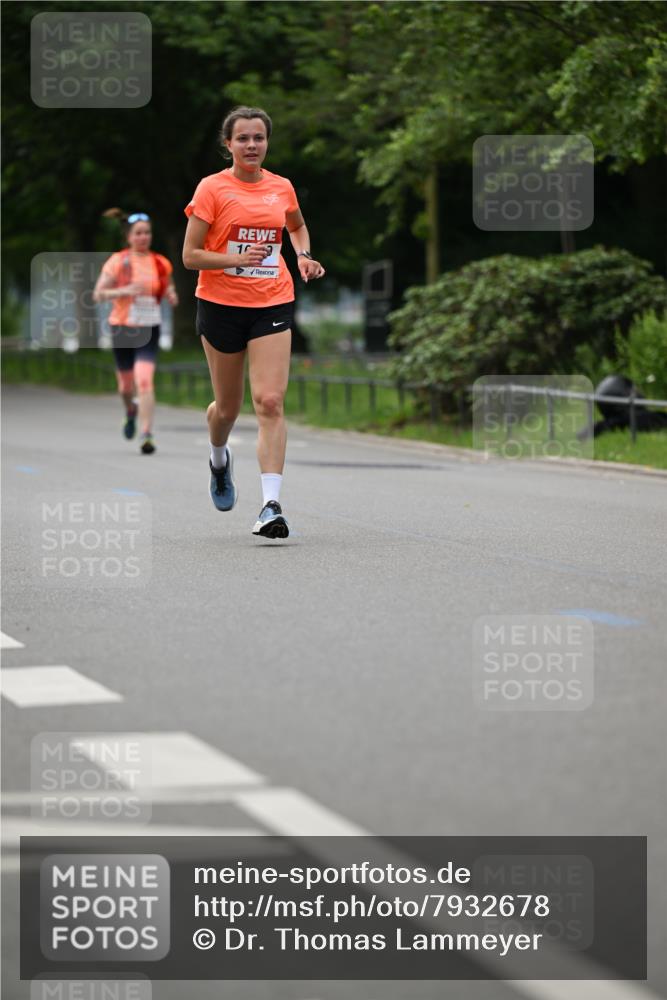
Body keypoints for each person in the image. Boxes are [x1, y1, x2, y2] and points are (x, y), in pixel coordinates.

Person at [182, 106, 325, 538]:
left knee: (269, 401)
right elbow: (191, 256)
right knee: (226, 408)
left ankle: (270, 505)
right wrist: (234, 259)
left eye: (258, 138)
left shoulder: (281, 187)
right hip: (221, 305)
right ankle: (219, 458)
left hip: (272, 301)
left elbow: (296, 227)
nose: (251, 146)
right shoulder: (212, 189)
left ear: (267, 143)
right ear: (228, 145)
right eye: (242, 138)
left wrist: (301, 255)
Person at [93, 210, 178, 454]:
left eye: (147, 233)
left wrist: (171, 294)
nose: (144, 237)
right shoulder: (118, 262)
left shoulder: (160, 262)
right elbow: (98, 294)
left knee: (144, 380)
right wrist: (124, 291)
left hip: (149, 327)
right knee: (125, 388)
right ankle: (130, 410)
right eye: (138, 233)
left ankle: (146, 433)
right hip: (122, 327)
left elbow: (168, 285)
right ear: (129, 237)